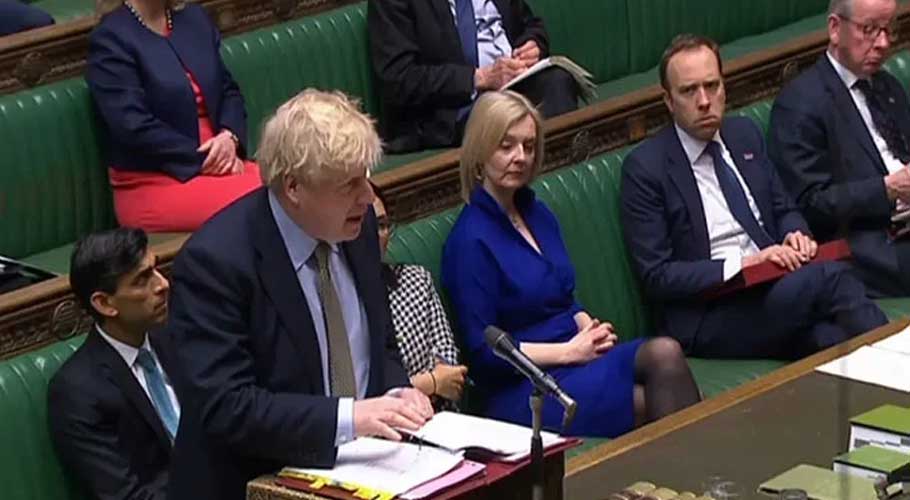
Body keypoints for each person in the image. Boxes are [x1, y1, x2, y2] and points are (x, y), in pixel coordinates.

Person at [163, 89, 433, 500]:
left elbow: (379, 342)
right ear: (293, 187)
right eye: (349, 184)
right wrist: (351, 417)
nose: (367, 197)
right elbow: (228, 407)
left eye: (366, 177)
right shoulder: (215, 264)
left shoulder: (355, 230)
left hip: (367, 470)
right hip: (255, 483)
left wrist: (397, 392)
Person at [441, 90, 700, 437]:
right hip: (525, 388)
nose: (520, 157)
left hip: (578, 359)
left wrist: (586, 326)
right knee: (658, 387)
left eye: (529, 147)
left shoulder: (539, 213)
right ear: (480, 149)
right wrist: (568, 351)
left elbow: (564, 294)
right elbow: (485, 352)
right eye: (506, 146)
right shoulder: (469, 241)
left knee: (666, 360)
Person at [621, 34, 888, 360]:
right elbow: (657, 276)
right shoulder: (646, 168)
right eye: (689, 91)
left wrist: (796, 233)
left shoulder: (743, 134)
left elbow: (783, 207)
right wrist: (744, 264)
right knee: (831, 276)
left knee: (830, 339)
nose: (704, 101)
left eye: (712, 86)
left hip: (773, 289)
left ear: (724, 86)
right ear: (668, 100)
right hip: (711, 313)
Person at [768, 0, 910, 297]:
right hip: (869, 249)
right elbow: (809, 205)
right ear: (835, 28)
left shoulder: (888, 87)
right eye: (869, 30)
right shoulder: (799, 103)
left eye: (888, 29)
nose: (883, 43)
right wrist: (886, 189)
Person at [87, 0, 261, 232]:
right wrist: (207, 159)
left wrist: (230, 137)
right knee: (271, 199)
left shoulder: (194, 19)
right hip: (155, 183)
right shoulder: (110, 39)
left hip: (223, 160)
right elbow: (132, 126)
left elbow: (227, 89)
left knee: (297, 181)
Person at [48, 228, 178, 500]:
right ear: (105, 303)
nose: (162, 284)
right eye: (142, 280)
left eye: (155, 269)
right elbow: (124, 496)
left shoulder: (175, 338)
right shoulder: (77, 392)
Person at [367, 0, 578, 153]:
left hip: (515, 83)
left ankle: (560, 178)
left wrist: (532, 44)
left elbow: (529, 24)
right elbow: (398, 79)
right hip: (453, 108)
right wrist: (480, 78)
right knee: (505, 119)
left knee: (558, 81)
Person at [373, 185, 468, 409]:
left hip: (439, 417)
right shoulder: (339, 300)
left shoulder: (416, 280)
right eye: (366, 225)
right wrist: (431, 381)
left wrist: (419, 385)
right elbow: (363, 396)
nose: (377, 235)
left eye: (382, 225)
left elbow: (452, 371)